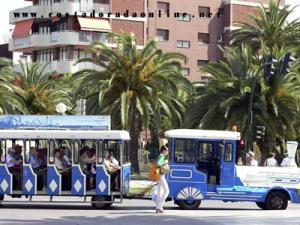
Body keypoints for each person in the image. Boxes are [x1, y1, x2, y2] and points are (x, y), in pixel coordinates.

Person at [155, 145, 170, 214]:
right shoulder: (161, 156)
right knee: (166, 190)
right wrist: (165, 162)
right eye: (166, 150)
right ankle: (159, 206)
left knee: (159, 191)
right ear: (163, 150)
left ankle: (158, 208)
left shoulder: (161, 155)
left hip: (159, 175)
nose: (167, 151)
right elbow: (158, 164)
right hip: (161, 175)